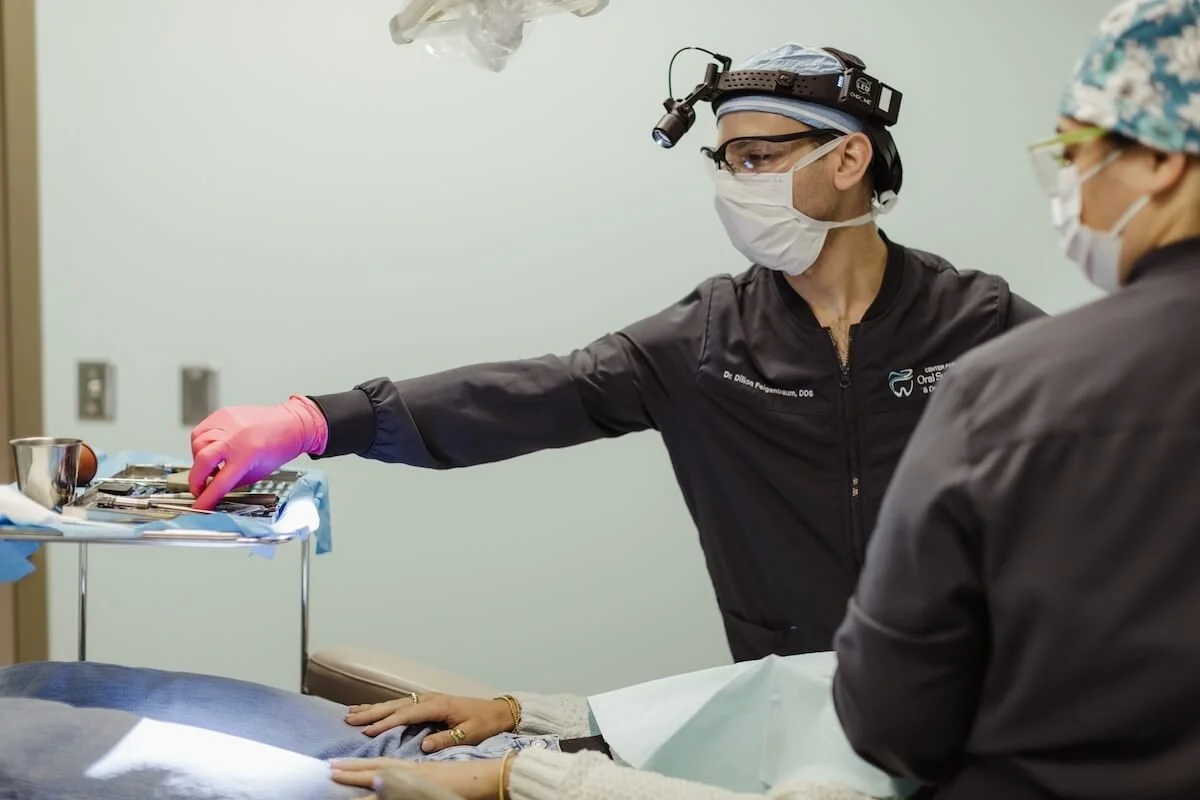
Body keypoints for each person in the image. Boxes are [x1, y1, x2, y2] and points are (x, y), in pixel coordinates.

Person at [188, 42, 1043, 665]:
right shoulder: (709, 340)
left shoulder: (983, 322)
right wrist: (316, 420)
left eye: (757, 159)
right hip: (789, 698)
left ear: (849, 156)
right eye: (724, 162)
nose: (733, 186)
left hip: (980, 698)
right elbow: (530, 395)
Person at [830, 1, 1200, 798]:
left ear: (1164, 158)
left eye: (1075, 153)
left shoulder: (1003, 389)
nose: (1070, 189)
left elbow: (891, 719)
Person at [0, 659, 878, 800]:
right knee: (54, 682)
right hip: (534, 760)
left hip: (512, 793)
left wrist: (512, 779)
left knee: (27, 747)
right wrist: (517, 714)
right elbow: (758, 700)